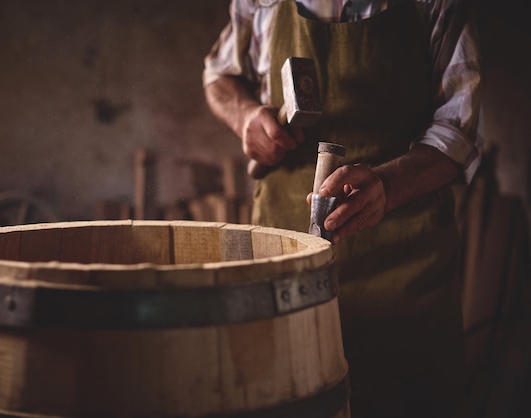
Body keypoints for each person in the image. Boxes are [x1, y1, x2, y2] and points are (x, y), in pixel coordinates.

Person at [203, 1, 482, 417]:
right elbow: (219, 75)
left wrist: (388, 184)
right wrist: (245, 116)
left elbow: (458, 128)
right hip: (285, 261)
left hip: (406, 265)